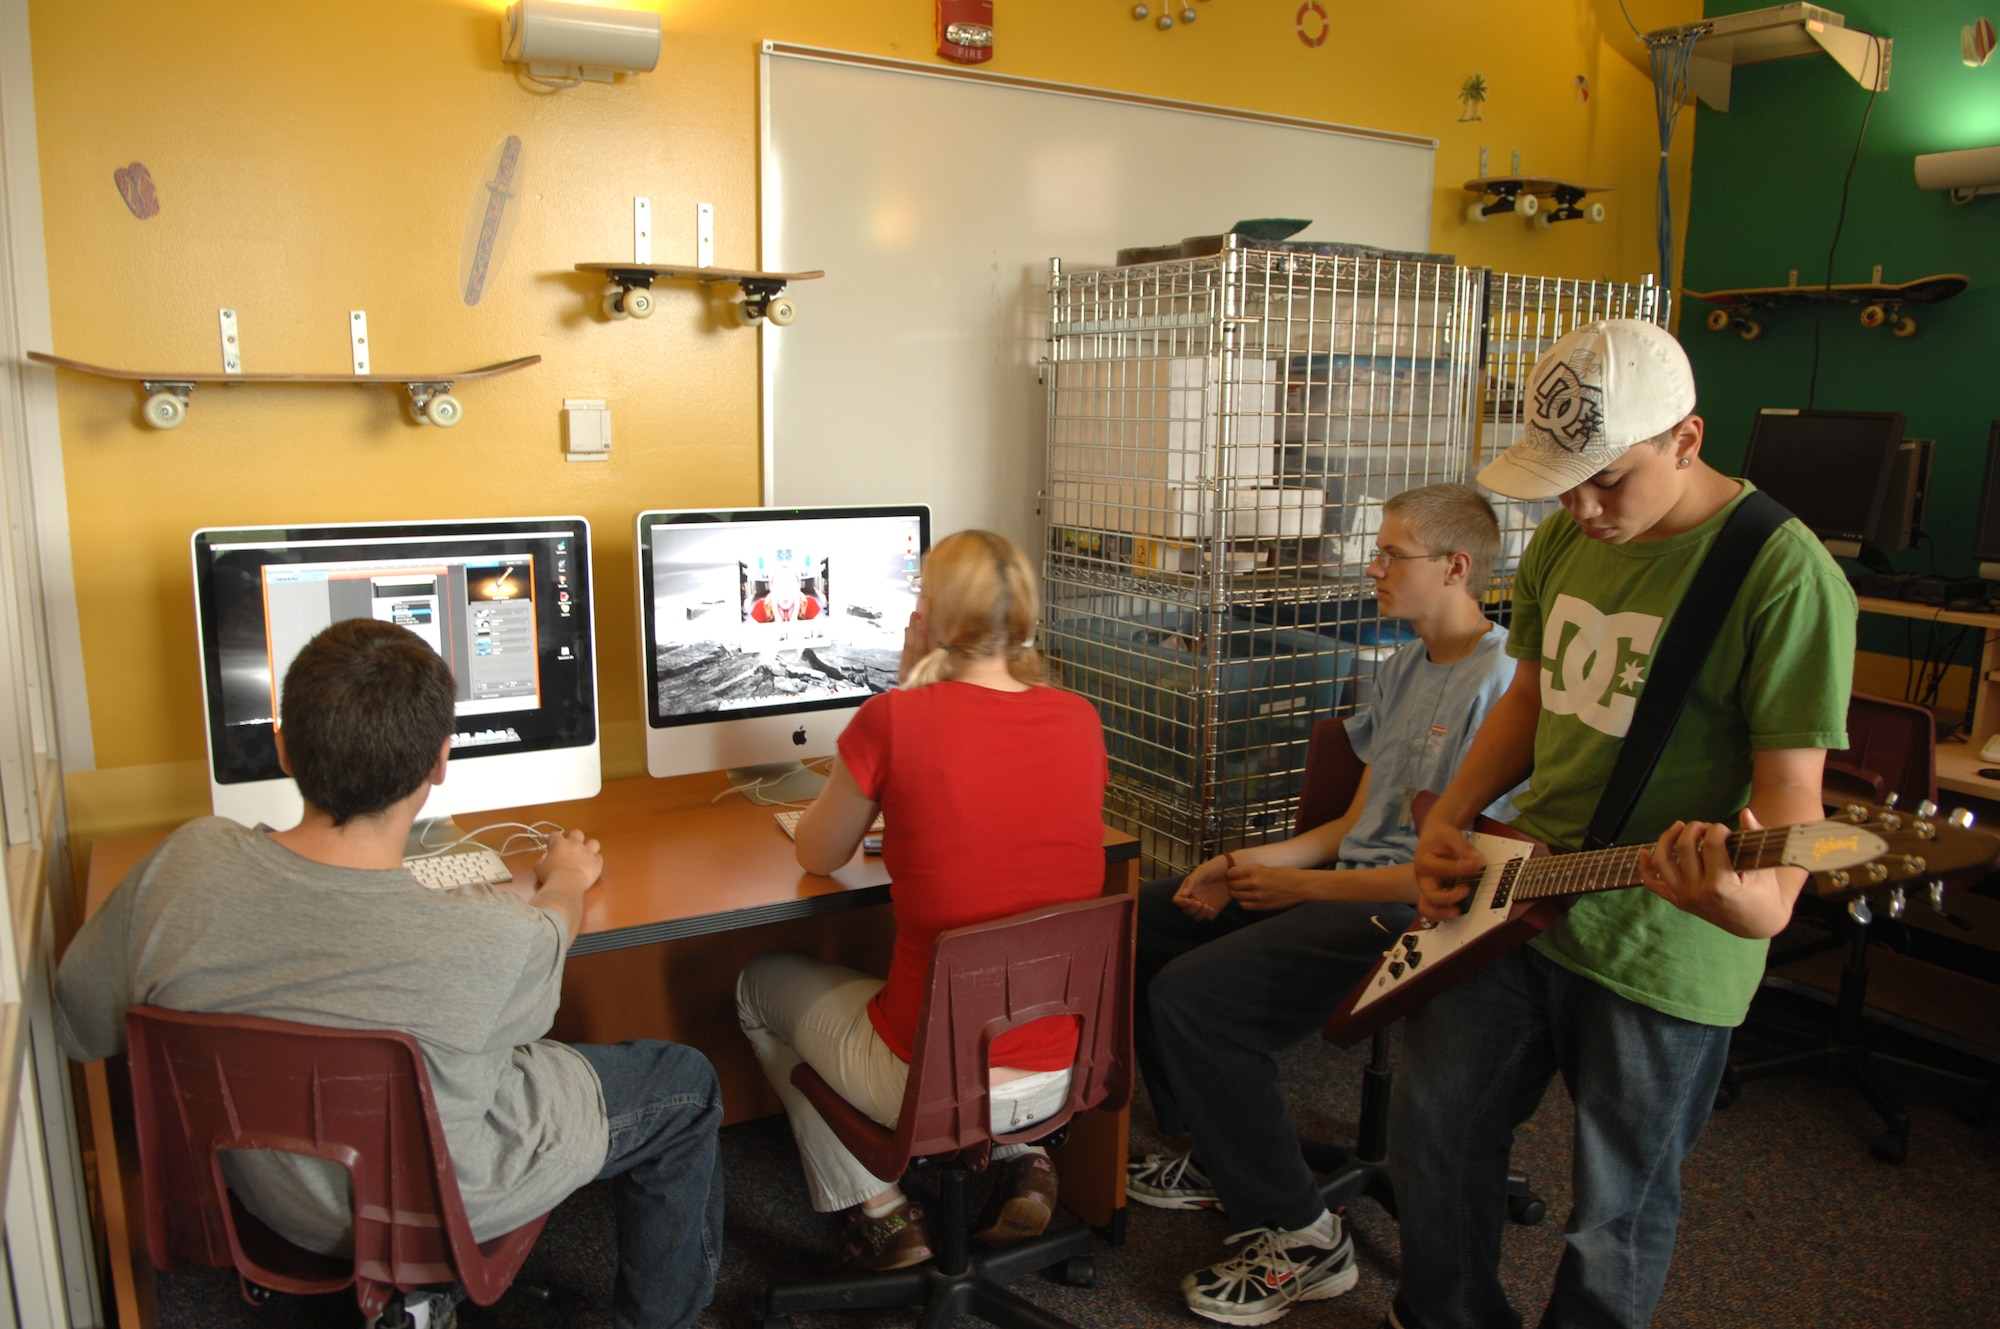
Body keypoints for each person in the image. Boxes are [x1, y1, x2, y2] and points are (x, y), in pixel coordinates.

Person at [55, 619, 725, 1329]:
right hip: (439, 1208)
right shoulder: (489, 935)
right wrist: (564, 877)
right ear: (441, 762)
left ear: (282, 744)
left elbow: (78, 1021)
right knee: (682, 1086)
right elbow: (550, 931)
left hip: (276, 1201)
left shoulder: (179, 868)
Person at [1388, 319, 1856, 1329]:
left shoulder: (1781, 573)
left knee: (1616, 1210)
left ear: (1685, 441)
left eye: (1607, 480)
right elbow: (1528, 699)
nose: (1581, 507)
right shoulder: (1567, 533)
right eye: (1564, 482)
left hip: (1662, 939)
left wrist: (1759, 903)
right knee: (1432, 1133)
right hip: (1516, 892)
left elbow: (1787, 785)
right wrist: (1452, 817)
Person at [1124, 483, 1522, 1325]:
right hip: (1349, 881)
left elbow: (1453, 876)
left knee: (1194, 1000)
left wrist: (1300, 886)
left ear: (1456, 568)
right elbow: (1352, 824)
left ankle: (1306, 1235)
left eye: (1391, 554)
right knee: (1138, 924)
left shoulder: (1505, 685)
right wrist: (1240, 862)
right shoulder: (1407, 661)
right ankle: (1221, 1152)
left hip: (1419, 914)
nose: (1370, 567)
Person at [736, 529, 1108, 1272]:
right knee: (1000, 957)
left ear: (932, 617)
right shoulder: (1079, 717)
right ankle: (1023, 1151)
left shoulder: (895, 720)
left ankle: (880, 1209)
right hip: (1067, 1065)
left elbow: (818, 853)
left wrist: (907, 699)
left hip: (929, 1078)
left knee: (756, 984)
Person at [751, 563, 822, 622]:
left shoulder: (808, 604)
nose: (785, 591)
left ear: (798, 586)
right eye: (780, 584)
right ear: (772, 587)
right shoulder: (761, 607)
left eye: (790, 584)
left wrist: (794, 619)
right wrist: (777, 619)